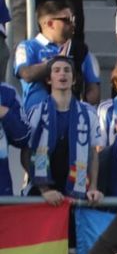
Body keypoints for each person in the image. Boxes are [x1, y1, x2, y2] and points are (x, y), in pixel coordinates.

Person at [23, 56, 99, 205]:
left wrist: (93, 187)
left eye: (67, 70)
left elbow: (93, 154)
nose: (62, 74)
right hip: (41, 194)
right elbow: (25, 154)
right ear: (49, 80)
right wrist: (44, 190)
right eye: (56, 70)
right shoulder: (36, 112)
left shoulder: (89, 113)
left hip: (77, 192)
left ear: (74, 79)